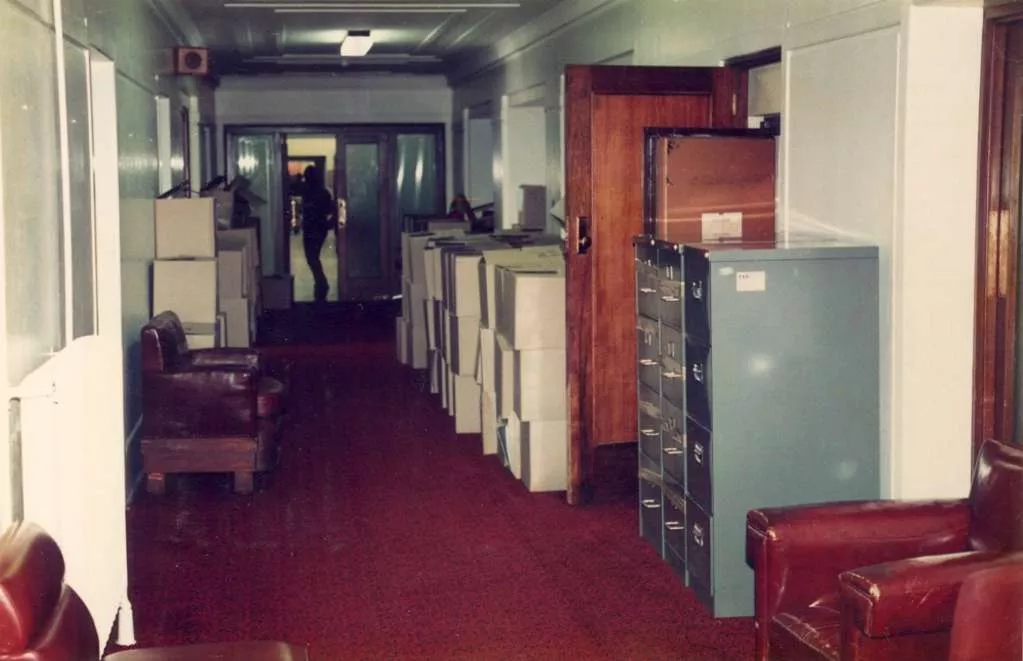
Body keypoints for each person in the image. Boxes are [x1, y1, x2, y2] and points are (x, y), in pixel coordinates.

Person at [300, 165, 335, 303]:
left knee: (311, 257)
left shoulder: (307, 192)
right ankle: (320, 282)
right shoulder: (324, 192)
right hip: (320, 228)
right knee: (313, 257)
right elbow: (328, 210)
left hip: (311, 228)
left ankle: (321, 282)